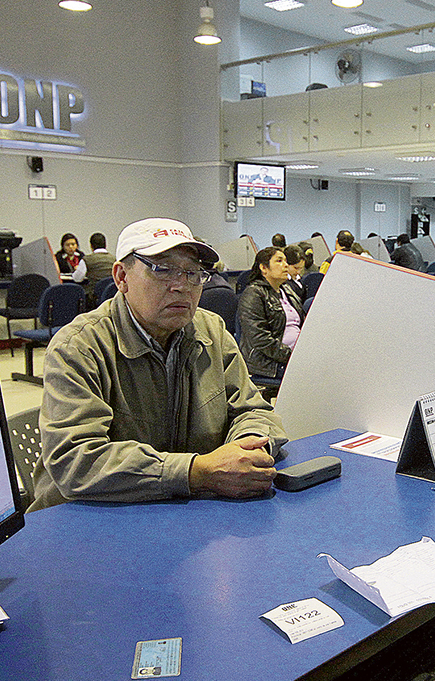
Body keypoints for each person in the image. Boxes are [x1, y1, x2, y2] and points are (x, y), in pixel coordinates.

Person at [28, 218, 287, 511]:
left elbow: (253, 410)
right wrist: (196, 471)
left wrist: (250, 449)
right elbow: (76, 459)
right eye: (162, 269)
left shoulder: (211, 331)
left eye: (193, 273)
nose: (181, 286)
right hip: (89, 519)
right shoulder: (79, 346)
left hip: (179, 510)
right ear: (121, 277)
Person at [238, 246, 304, 379]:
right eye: (279, 261)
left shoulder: (287, 291)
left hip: (297, 356)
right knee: (313, 376)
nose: (285, 265)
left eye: (286, 261)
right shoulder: (253, 294)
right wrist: (291, 354)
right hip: (269, 363)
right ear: (263, 268)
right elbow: (260, 339)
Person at [72, 232, 116, 306]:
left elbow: (77, 278)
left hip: (94, 298)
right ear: (105, 245)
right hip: (112, 296)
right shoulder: (114, 259)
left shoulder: (87, 260)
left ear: (91, 246)